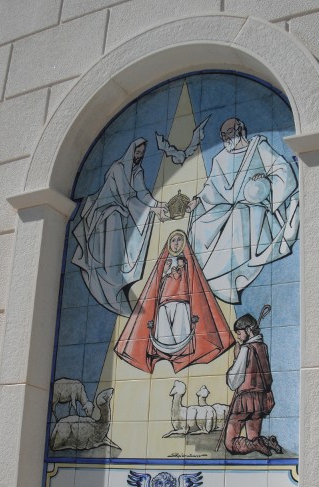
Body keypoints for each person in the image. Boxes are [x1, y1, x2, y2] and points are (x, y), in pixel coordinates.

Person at [187, 118, 299, 303]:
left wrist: (266, 181)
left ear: (240, 130)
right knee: (200, 226)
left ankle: (225, 277)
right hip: (225, 207)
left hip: (254, 207)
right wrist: (198, 200)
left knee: (238, 218)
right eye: (223, 135)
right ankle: (207, 277)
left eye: (228, 133)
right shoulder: (220, 158)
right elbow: (212, 187)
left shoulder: (258, 147)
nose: (225, 138)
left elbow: (282, 170)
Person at [72, 139, 168, 316]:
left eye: (142, 153)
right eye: (137, 153)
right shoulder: (118, 168)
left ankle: (117, 283)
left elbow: (142, 193)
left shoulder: (137, 170)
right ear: (131, 152)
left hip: (123, 211)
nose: (139, 156)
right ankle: (111, 285)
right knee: (112, 247)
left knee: (136, 225)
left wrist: (157, 205)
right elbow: (126, 198)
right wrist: (151, 209)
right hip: (105, 212)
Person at [115, 230, 234, 373]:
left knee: (180, 328)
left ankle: (181, 352)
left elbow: (194, 283)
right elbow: (154, 286)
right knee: (164, 331)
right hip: (164, 303)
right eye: (173, 240)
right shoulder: (164, 262)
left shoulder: (188, 261)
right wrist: (165, 271)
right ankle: (165, 351)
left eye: (179, 240)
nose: (176, 243)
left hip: (182, 301)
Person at [223, 313, 282, 457]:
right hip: (262, 399)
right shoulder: (263, 347)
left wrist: (236, 358)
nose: (238, 336)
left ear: (248, 330)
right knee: (253, 436)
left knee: (230, 443)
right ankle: (266, 442)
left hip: (245, 399)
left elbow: (233, 380)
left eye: (239, 333)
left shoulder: (245, 349)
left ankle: (256, 444)